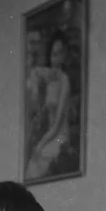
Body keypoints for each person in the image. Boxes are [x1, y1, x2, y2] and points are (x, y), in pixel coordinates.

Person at [24, 30, 71, 181]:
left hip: (59, 136)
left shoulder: (65, 81)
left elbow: (57, 125)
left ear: (64, 56)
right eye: (52, 55)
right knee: (31, 166)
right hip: (48, 136)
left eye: (59, 54)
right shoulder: (50, 79)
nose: (55, 60)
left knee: (39, 158)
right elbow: (35, 72)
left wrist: (41, 143)